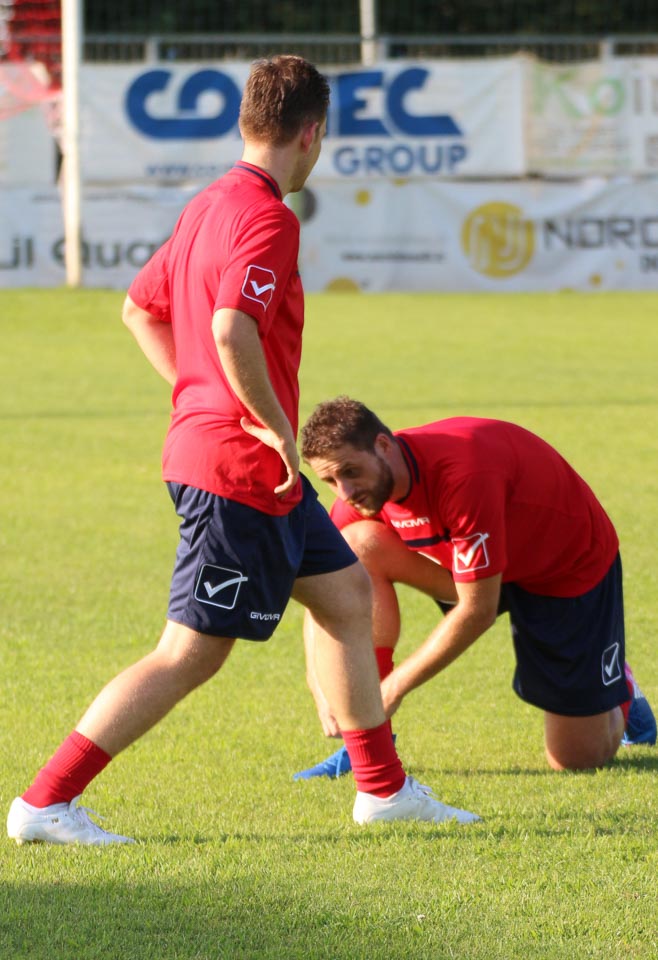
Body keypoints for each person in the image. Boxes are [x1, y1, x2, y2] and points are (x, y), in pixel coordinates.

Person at [7, 59, 480, 846]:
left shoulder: (207, 204)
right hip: (239, 471)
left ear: (245, 123)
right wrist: (267, 423)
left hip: (251, 469)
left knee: (347, 598)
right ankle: (44, 803)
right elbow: (231, 328)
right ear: (312, 132)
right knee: (189, 654)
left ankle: (383, 789)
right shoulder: (269, 217)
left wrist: (205, 395)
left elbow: (139, 310)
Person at [293, 396, 656, 780]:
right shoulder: (359, 497)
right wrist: (319, 683)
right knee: (356, 547)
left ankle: (620, 688)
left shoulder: (464, 473)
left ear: (384, 445)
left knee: (576, 758)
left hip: (563, 571)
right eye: (330, 481)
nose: (345, 491)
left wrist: (394, 687)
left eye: (350, 471)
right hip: (472, 567)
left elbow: (477, 611)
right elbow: (326, 590)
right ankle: (368, 744)